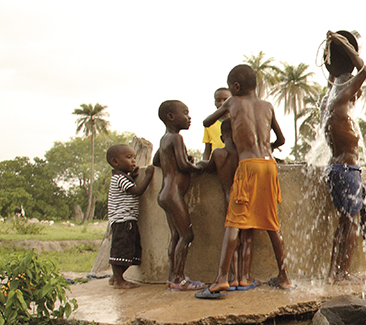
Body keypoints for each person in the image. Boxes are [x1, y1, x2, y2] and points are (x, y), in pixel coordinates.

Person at [198, 64, 290, 297]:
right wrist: (267, 147)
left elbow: (207, 122)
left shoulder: (233, 102)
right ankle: (285, 276)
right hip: (269, 166)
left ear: (236, 87)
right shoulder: (267, 106)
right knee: (272, 224)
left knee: (234, 222)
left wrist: (227, 110)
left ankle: (221, 279)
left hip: (248, 166)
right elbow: (281, 139)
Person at [320, 30, 366, 284]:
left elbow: (335, 79)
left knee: (343, 223)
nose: (357, 94)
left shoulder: (328, 100)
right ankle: (343, 273)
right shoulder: (340, 98)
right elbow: (364, 71)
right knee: (351, 223)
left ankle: (333, 273)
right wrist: (344, 46)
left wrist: (334, 53)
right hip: (347, 170)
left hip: (335, 168)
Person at [154, 100, 208, 291]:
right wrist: (199, 166)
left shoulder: (164, 139)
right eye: (185, 113)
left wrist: (180, 160)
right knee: (187, 235)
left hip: (165, 193)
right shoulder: (176, 138)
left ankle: (172, 277)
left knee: (176, 235)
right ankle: (178, 278)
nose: (189, 117)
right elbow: (184, 166)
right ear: (171, 117)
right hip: (173, 193)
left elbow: (156, 161)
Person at [203, 118, 254, 290]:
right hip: (244, 199)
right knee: (246, 237)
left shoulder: (218, 154)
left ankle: (232, 277)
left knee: (232, 239)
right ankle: (244, 277)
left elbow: (207, 168)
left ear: (222, 137)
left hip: (228, 200)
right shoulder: (243, 155)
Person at [105, 143, 155, 289]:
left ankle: (116, 277)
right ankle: (119, 280)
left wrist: (132, 177)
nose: (133, 161)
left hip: (127, 220)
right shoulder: (120, 179)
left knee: (130, 251)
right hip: (123, 221)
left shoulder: (123, 178)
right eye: (129, 157)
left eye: (134, 157)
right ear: (115, 162)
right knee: (121, 250)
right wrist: (148, 176)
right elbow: (137, 191)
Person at [202, 86, 230, 160]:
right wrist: (204, 163)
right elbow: (207, 149)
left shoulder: (237, 121)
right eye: (218, 100)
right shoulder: (209, 123)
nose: (222, 103)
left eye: (225, 100)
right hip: (216, 162)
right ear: (215, 103)